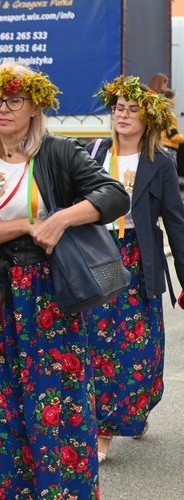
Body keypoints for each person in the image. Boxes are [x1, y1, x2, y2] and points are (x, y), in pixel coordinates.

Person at [0, 63, 129, 499]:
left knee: (55, 403)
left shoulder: (57, 152)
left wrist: (61, 219)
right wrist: (27, 225)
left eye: (15, 100)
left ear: (34, 108)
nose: (3, 108)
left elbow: (113, 195)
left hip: (48, 297)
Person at [84, 76, 184, 465]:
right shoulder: (93, 153)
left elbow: (175, 222)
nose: (123, 115)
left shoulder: (160, 162)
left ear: (148, 119)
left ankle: (132, 410)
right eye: (119, 108)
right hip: (97, 256)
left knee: (137, 349)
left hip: (137, 261)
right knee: (96, 344)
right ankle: (102, 429)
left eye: (132, 110)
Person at [160, 88, 184, 176]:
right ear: (168, 100)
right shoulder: (170, 115)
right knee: (171, 174)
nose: (174, 102)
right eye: (173, 100)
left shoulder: (160, 113)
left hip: (161, 145)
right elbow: (172, 136)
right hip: (170, 148)